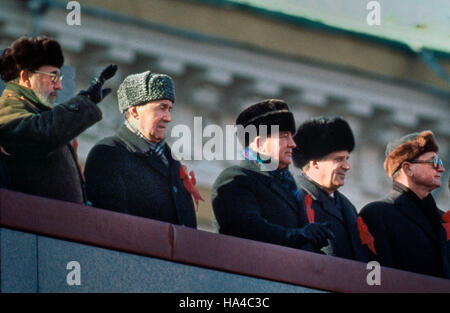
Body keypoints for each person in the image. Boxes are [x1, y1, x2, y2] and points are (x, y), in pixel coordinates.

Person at [0, 36, 116, 203]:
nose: (59, 86)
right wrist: (85, 101)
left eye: (59, 78)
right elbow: (41, 134)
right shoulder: (7, 110)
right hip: (31, 223)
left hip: (51, 223)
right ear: (25, 77)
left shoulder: (37, 114)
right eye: (52, 77)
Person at [212, 99, 334, 252]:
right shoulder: (236, 179)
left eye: (291, 136)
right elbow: (248, 229)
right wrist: (298, 235)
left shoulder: (290, 188)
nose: (293, 144)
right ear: (259, 144)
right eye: (284, 136)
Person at [84, 71, 197, 228]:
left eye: (169, 109)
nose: (168, 117)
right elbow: (111, 228)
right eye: (161, 108)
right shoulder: (109, 155)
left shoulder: (173, 164)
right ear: (135, 111)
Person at [359, 130, 450, 279]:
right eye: (434, 162)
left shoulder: (443, 220)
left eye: (440, 162)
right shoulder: (377, 214)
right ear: (407, 168)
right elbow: (374, 280)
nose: (441, 168)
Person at [292, 117, 369, 261]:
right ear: (315, 163)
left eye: (347, 159)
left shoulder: (347, 206)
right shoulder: (292, 198)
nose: (347, 166)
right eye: (339, 159)